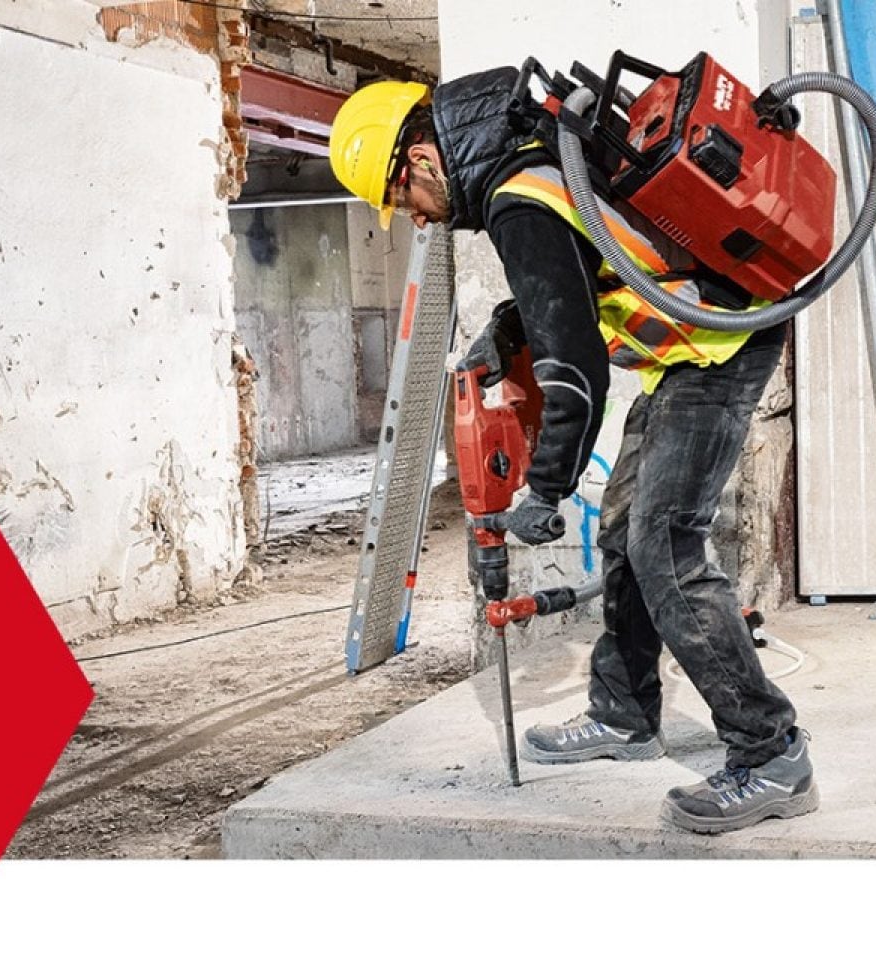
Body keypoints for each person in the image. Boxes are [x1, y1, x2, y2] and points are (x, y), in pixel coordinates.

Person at [328, 67, 815, 835]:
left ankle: (771, 752)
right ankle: (624, 715)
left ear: (420, 161)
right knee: (626, 533)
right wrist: (509, 324)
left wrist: (545, 492)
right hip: (688, 351)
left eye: (402, 204)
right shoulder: (526, 163)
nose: (416, 221)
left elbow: (577, 374)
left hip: (721, 347)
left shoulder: (516, 199)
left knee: (665, 545)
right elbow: (585, 265)